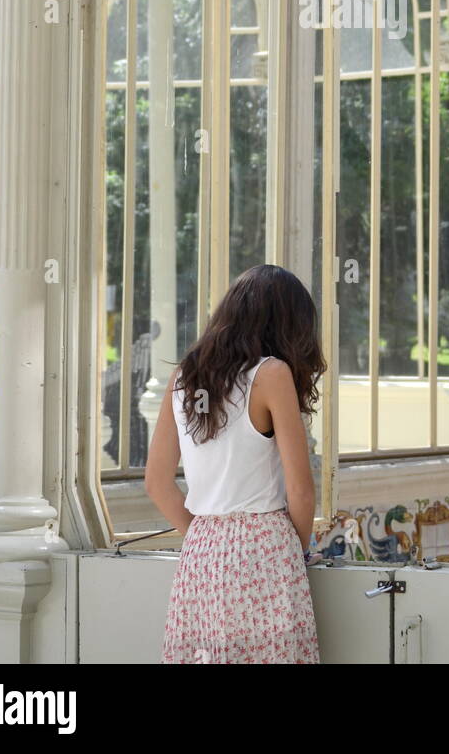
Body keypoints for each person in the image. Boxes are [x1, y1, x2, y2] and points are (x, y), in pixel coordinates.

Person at [145, 264, 326, 664]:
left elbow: (157, 483)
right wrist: (292, 553)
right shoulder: (272, 374)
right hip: (264, 547)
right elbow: (300, 490)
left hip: (201, 550)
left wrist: (205, 534)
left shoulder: (183, 377)